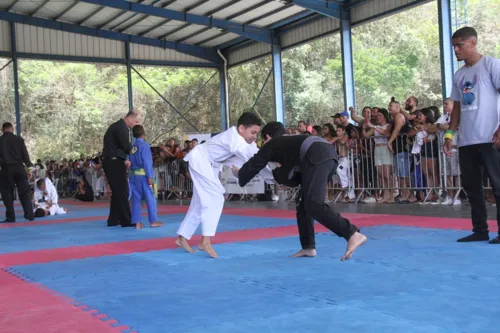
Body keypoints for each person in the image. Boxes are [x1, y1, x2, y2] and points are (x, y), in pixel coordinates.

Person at [233, 121, 367, 261]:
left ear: (267, 137)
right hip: (327, 157)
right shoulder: (291, 142)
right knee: (303, 202)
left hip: (317, 156)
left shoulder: (274, 143)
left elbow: (256, 162)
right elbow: (289, 175)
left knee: (313, 204)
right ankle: (308, 246)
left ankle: (352, 233)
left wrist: (240, 174)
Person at [176, 112, 266, 258]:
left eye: (257, 133)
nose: (255, 136)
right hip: (200, 160)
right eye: (253, 132)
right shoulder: (234, 138)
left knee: (200, 203)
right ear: (242, 128)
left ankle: (182, 237)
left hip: (209, 164)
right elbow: (252, 156)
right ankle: (205, 241)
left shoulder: (242, 142)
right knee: (216, 197)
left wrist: (273, 162)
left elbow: (255, 154)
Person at [444, 26, 500, 244]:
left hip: (490, 138)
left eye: (460, 45)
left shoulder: (491, 65)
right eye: (454, 46)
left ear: (473, 43)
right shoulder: (459, 75)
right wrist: (449, 134)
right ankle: (480, 229)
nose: (456, 50)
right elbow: (456, 107)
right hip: (467, 140)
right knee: (472, 188)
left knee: (498, 186)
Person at [102, 110, 141, 228]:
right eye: (136, 122)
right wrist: (137, 150)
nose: (136, 125)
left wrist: (124, 159)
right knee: (123, 191)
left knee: (117, 192)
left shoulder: (117, 126)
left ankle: (113, 219)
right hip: (114, 163)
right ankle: (126, 220)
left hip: (113, 161)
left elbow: (115, 147)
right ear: (129, 119)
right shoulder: (121, 128)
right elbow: (126, 146)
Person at [129, 125, 163, 229]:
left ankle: (137, 222)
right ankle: (153, 221)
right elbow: (147, 162)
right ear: (143, 134)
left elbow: (128, 162)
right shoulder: (144, 145)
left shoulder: (132, 147)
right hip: (143, 176)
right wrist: (150, 176)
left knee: (135, 199)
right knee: (150, 198)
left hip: (133, 176)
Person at [0, 122, 34, 223]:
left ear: (2, 129)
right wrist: (29, 169)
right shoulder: (19, 140)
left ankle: (11, 217)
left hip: (6, 169)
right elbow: (25, 156)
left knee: (7, 194)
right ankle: (29, 215)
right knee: (24, 192)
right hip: (19, 168)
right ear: (12, 129)